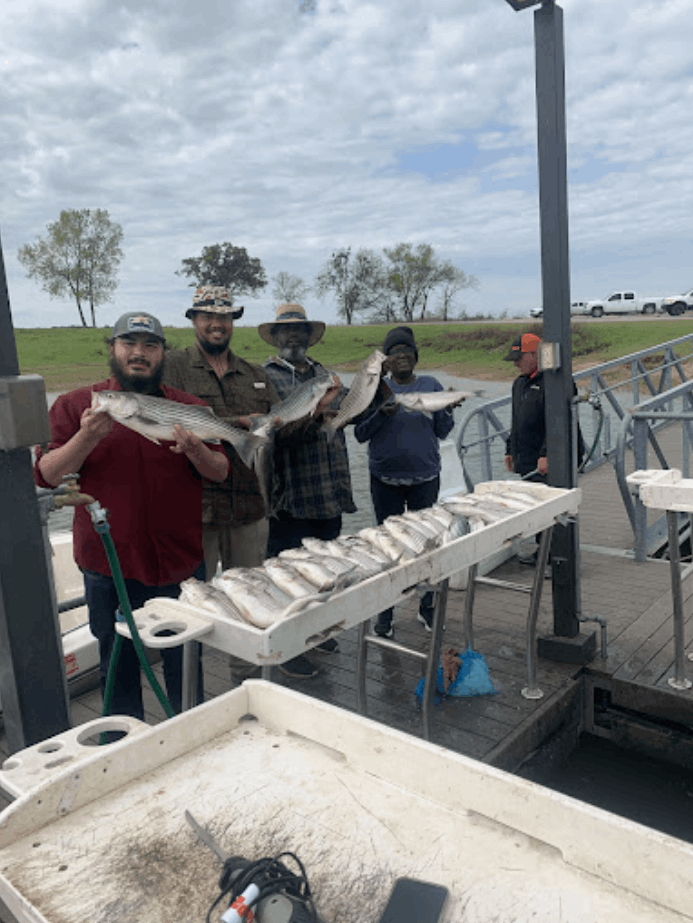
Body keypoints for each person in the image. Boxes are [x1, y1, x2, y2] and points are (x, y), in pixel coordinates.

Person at [34, 312, 229, 720]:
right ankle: (120, 739)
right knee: (117, 662)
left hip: (179, 561)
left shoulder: (190, 407)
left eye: (150, 346)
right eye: (129, 344)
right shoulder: (76, 405)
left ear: (162, 354)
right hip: (109, 565)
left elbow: (220, 470)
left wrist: (195, 449)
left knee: (184, 659)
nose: (139, 354)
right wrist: (86, 436)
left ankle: (192, 732)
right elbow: (48, 475)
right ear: (113, 349)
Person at [259, 303, 358, 678]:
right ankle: (286, 648)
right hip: (289, 497)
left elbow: (352, 410)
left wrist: (370, 393)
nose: (293, 336)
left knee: (324, 574)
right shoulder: (265, 377)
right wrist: (317, 412)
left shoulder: (325, 375)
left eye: (299, 329)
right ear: (275, 336)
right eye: (286, 330)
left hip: (330, 493)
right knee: (287, 577)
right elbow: (273, 437)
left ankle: (316, 632)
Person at [163, 286, 280, 579]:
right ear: (193, 319)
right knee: (196, 598)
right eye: (207, 315)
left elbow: (280, 422)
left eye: (225, 316)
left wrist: (315, 411)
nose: (217, 323)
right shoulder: (171, 367)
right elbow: (163, 421)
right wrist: (236, 423)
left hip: (249, 506)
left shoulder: (255, 374)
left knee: (250, 593)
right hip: (193, 511)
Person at [354, 325, 460, 638]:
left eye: (407, 351)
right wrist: (381, 415)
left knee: (427, 547)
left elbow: (442, 431)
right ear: (386, 360)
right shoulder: (376, 389)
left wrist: (448, 410)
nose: (401, 356)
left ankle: (427, 608)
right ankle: (385, 615)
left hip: (425, 479)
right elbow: (360, 434)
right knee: (389, 550)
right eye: (395, 352)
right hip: (384, 481)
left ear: (415, 357)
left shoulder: (431, 384)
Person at [503, 331, 584, 566]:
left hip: (550, 458)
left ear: (535, 355)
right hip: (527, 457)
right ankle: (544, 551)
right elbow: (516, 420)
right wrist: (510, 449)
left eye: (519, 358)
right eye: (514, 359)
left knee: (554, 506)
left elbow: (560, 420)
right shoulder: (519, 384)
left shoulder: (557, 381)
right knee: (536, 506)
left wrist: (547, 454)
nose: (515, 363)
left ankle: (560, 555)